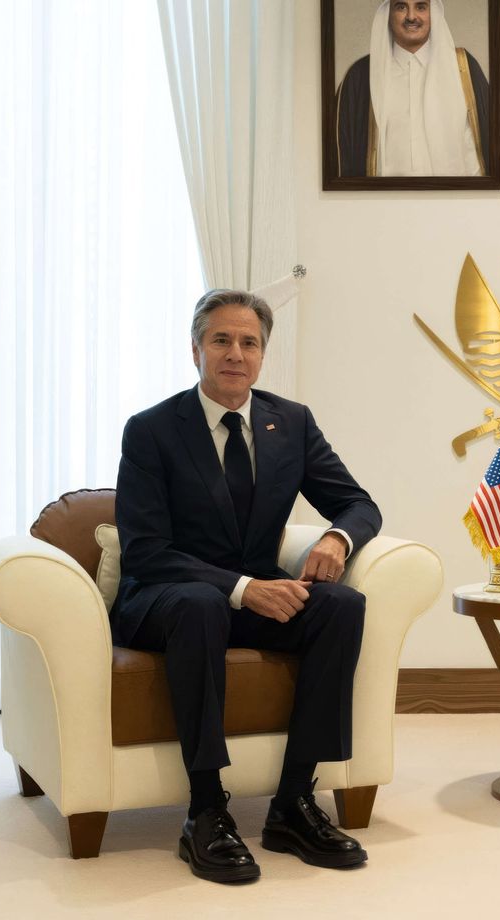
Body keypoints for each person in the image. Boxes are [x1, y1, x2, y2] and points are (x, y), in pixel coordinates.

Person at [113, 289, 381, 883]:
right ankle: (205, 809)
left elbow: (358, 503)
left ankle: (293, 802)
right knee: (203, 604)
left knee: (341, 607)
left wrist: (337, 540)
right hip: (166, 597)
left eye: (249, 342)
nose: (235, 353)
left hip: (248, 594)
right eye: (221, 340)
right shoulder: (152, 430)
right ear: (196, 350)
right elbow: (146, 552)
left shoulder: (291, 422)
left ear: (262, 355)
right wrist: (242, 587)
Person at [334, 0, 491, 177]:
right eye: (401, 7)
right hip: (382, 202)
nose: (411, 16)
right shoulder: (360, 77)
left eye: (421, 7)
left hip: (455, 201)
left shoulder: (463, 69)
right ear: (388, 14)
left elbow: (482, 154)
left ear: (433, 13)